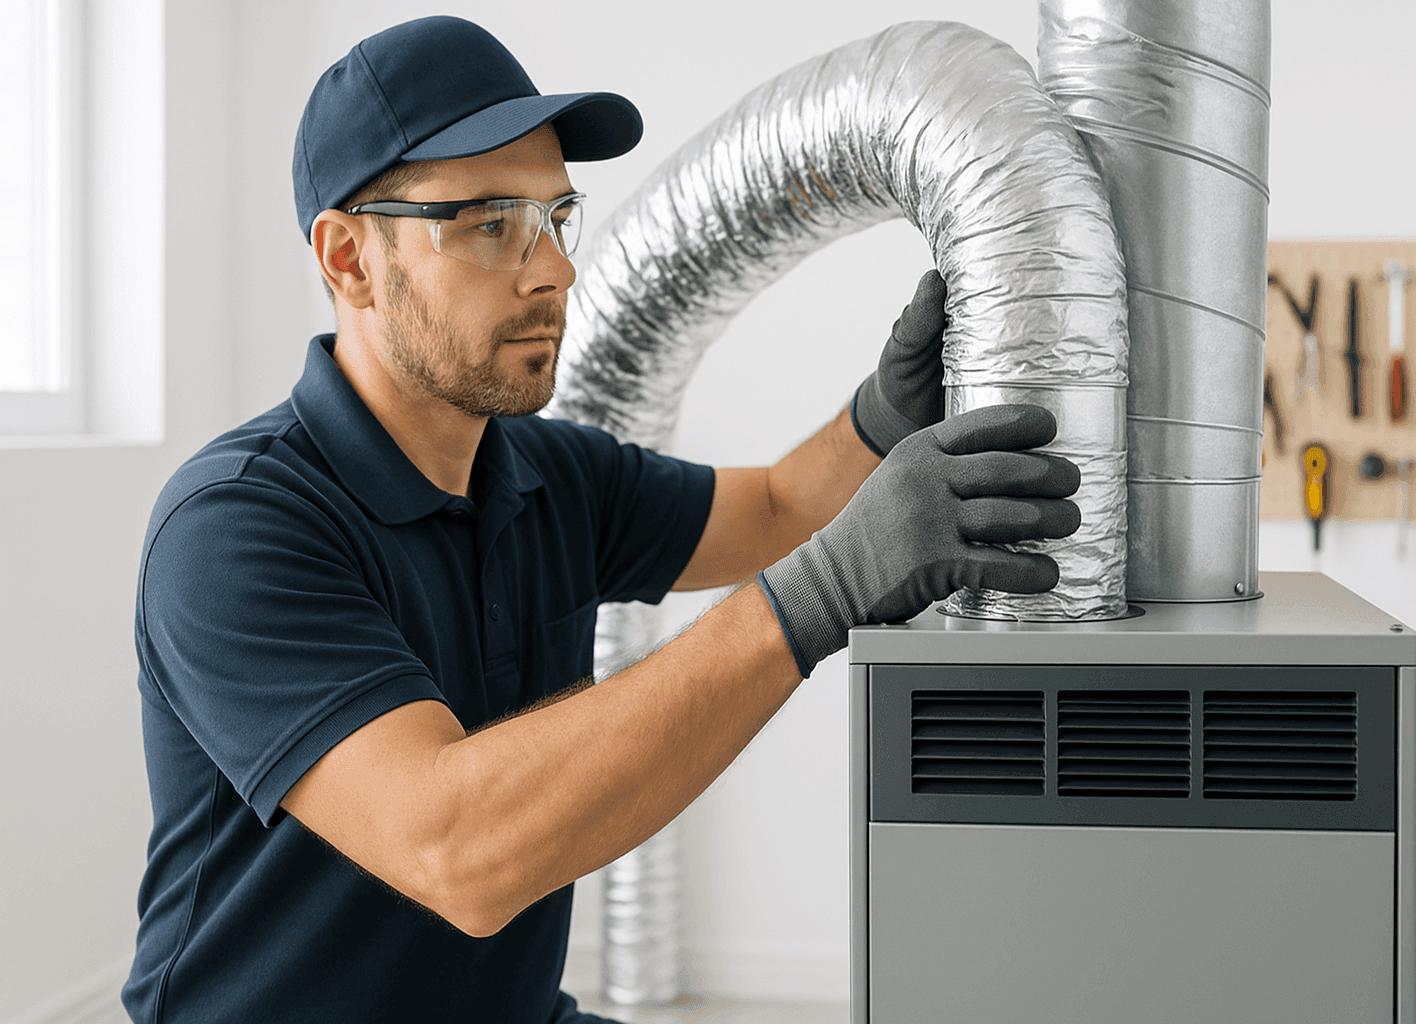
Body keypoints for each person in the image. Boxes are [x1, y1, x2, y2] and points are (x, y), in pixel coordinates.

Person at [124, 15, 1080, 1024]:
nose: (554, 273)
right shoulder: (233, 527)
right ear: (349, 259)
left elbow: (776, 507)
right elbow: (457, 848)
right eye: (491, 222)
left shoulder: (545, 473)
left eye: (555, 218)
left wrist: (878, 419)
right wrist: (826, 591)